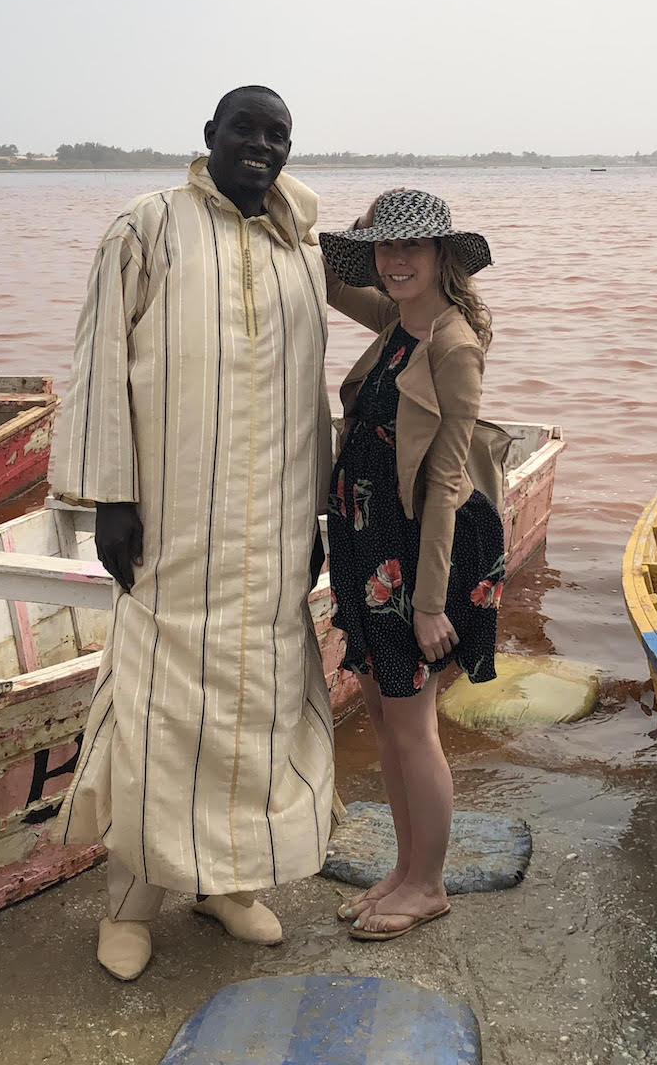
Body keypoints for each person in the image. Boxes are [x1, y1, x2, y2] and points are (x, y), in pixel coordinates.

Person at [48, 86, 335, 981]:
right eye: (244, 130)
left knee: (260, 706)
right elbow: (99, 360)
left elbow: (312, 386)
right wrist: (110, 498)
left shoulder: (303, 246)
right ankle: (130, 902)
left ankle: (227, 882)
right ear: (208, 137)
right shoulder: (148, 227)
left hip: (276, 525)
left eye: (276, 134)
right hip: (174, 519)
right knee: (157, 707)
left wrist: (319, 509)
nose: (261, 146)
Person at [318, 189, 505, 941]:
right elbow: (330, 282)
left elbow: (446, 488)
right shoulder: (399, 320)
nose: (396, 262)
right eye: (385, 250)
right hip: (368, 542)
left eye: (412, 248)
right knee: (385, 716)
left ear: (442, 256)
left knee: (414, 723)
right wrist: (357, 235)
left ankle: (427, 883)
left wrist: (431, 604)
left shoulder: (452, 343)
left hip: (418, 555)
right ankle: (402, 868)